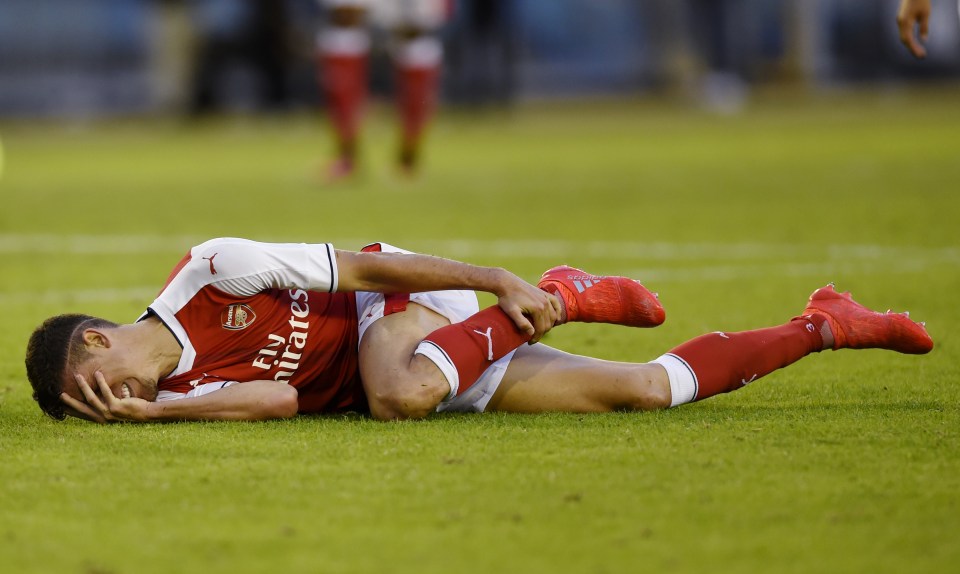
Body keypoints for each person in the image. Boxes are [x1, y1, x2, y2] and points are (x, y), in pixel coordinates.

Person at [25, 238, 933, 424]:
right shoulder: (181, 395)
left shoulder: (213, 270)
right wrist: (159, 419)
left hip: (404, 315)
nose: (113, 405)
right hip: (443, 356)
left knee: (396, 394)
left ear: (98, 343)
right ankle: (826, 325)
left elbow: (371, 266)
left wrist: (493, 280)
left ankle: (553, 295)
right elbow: (280, 395)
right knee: (644, 391)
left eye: (96, 392)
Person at [316, 0, 446, 180]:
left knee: (414, 106)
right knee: (339, 105)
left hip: (415, 47)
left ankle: (407, 160)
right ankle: (348, 157)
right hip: (374, 42)